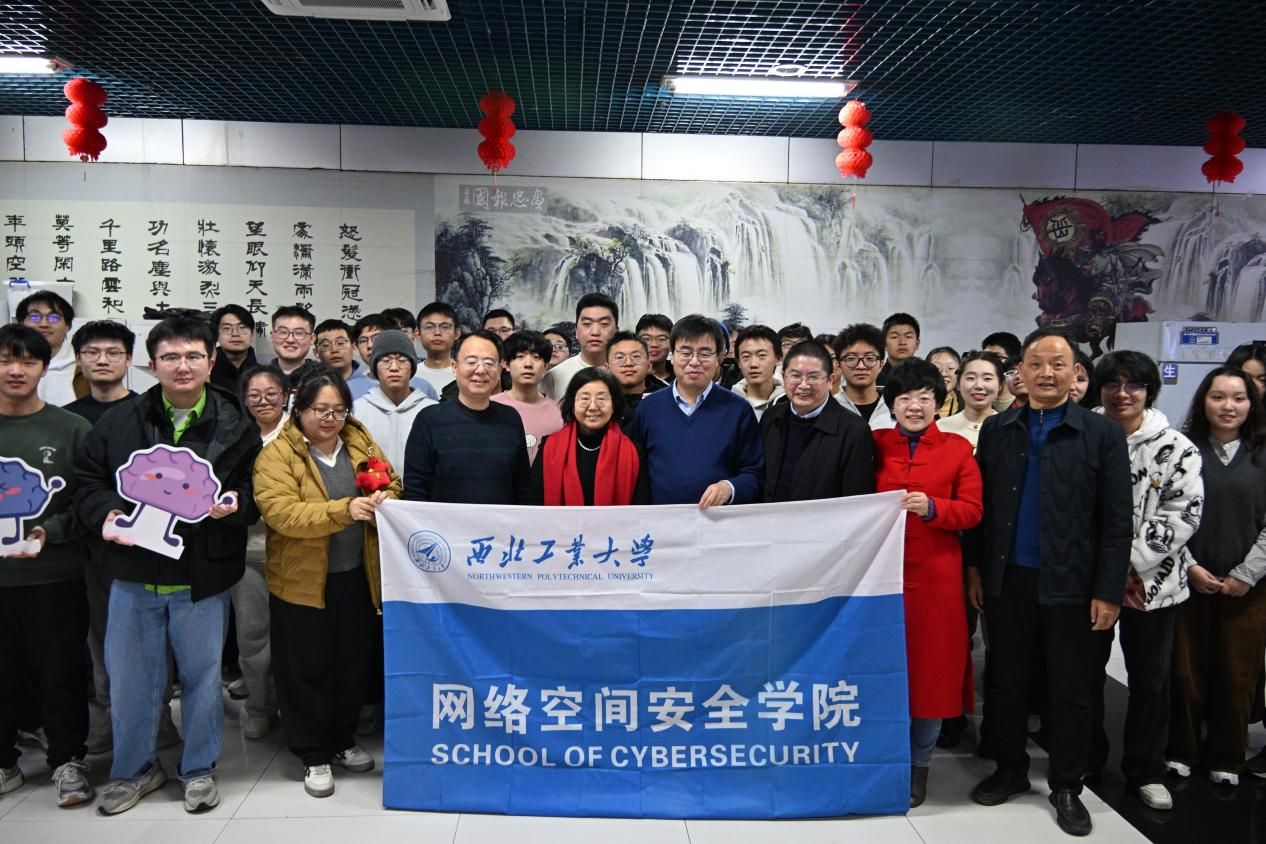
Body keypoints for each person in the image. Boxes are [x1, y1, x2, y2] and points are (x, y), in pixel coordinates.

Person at [73, 317, 260, 816]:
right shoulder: (120, 421)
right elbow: (87, 481)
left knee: (202, 678)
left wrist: (234, 505)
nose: (183, 366)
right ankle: (134, 769)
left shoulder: (236, 423)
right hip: (133, 569)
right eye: (171, 357)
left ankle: (198, 768)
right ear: (151, 364)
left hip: (202, 574)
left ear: (211, 362)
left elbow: (253, 491)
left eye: (193, 356)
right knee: (131, 681)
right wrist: (108, 515)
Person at [967, 328, 1132, 837]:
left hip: (1073, 583)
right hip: (1007, 578)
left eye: (1057, 365)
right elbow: (982, 509)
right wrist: (976, 569)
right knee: (1006, 679)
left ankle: (1066, 784)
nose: (1046, 373)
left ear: (1075, 372)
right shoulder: (998, 429)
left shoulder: (1101, 434)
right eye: (1035, 364)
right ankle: (1010, 768)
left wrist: (1107, 591)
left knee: (1071, 686)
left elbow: (1117, 521)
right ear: (1020, 372)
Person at [253, 366, 399, 798]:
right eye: (320, 410)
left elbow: (392, 482)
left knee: (351, 664)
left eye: (338, 410)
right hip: (302, 583)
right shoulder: (277, 456)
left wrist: (385, 497)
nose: (330, 419)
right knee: (306, 668)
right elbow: (282, 514)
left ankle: (342, 739)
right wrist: (343, 510)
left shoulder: (359, 441)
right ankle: (313, 752)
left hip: (357, 575)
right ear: (299, 408)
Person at [1080, 351, 1203, 809]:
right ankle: (1086, 759)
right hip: (1088, 579)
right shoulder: (1082, 435)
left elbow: (1183, 513)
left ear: (1149, 391)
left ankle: (1146, 769)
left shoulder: (1177, 447)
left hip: (1154, 582)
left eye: (1133, 385)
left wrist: (1126, 559)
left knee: (1151, 680)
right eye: (1112, 384)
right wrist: (1101, 564)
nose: (1122, 393)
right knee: (1085, 674)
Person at [873, 358, 983, 807]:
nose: (914, 406)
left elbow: (973, 511)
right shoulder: (875, 444)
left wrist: (934, 508)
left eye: (924, 397)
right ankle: (884, 759)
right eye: (904, 398)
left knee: (930, 676)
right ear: (891, 405)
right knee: (880, 671)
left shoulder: (957, 449)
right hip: (880, 578)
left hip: (937, 582)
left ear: (939, 402)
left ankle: (920, 766)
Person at [0, 324, 95, 807]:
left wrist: (48, 531)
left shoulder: (71, 428)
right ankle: (5, 763)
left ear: (45, 367)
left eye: (27, 361)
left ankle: (67, 760)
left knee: (61, 671)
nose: (15, 370)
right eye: (5, 360)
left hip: (55, 575)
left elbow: (89, 500)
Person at [1167, 367, 1266, 788]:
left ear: (1251, 404)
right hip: (1187, 581)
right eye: (1218, 397)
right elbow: (1167, 513)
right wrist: (1190, 566)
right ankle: (1180, 751)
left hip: (1249, 588)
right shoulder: (1183, 450)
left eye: (1238, 398)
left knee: (1237, 674)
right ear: (1203, 402)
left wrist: (1246, 573)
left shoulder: (1261, 452)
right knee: (1184, 671)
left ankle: (1227, 756)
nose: (1228, 406)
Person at [627, 314, 764, 507]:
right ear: (672, 356)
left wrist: (729, 488)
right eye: (685, 352)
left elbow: (755, 473)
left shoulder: (738, 410)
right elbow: (635, 472)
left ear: (718, 358)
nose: (694, 361)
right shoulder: (648, 408)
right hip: (660, 520)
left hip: (718, 520)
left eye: (705, 353)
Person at [404, 330, 531, 504]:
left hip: (500, 522)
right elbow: (415, 489)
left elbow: (522, 486)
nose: (481, 370)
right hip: (443, 522)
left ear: (499, 369)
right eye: (471, 362)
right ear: (454, 367)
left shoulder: (511, 419)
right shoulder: (429, 420)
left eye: (489, 363)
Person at [231, 366, 290, 741]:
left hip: (296, 553)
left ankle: (294, 706)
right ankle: (260, 707)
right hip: (249, 553)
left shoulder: (301, 435)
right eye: (254, 395)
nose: (263, 401)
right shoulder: (236, 437)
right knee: (253, 635)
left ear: (285, 395)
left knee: (297, 636)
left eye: (271, 393)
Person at [761, 341, 874, 502]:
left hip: (824, 518)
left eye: (813, 377)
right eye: (795, 376)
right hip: (770, 516)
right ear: (784, 377)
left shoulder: (854, 430)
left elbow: (856, 500)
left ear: (830, 380)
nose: (803, 385)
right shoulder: (771, 417)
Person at [528, 367, 649, 505]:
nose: (593, 407)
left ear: (613, 405)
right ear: (572, 405)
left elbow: (641, 509)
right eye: (584, 398)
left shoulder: (633, 451)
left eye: (601, 399)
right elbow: (534, 502)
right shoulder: (549, 446)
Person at [352, 330, 437, 473]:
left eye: (402, 360)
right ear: (375, 368)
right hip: (374, 487)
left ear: (412, 367)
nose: (394, 368)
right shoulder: (357, 410)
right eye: (385, 361)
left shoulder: (432, 410)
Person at [490, 331, 563, 463]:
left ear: (545, 366)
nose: (528, 364)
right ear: (506, 364)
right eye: (520, 356)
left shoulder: (559, 412)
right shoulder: (490, 407)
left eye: (536, 357)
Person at [542, 293, 619, 399]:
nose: (595, 332)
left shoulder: (627, 373)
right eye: (587, 324)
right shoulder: (555, 376)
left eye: (604, 324)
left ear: (616, 332)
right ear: (576, 331)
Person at [347, 314, 437, 402]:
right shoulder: (349, 389)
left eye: (376, 338)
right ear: (355, 346)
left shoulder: (423, 387)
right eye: (363, 341)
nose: (370, 345)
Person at [16, 291, 79, 406]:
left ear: (68, 326)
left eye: (54, 318)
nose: (44, 324)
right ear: (21, 324)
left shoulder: (83, 366)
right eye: (35, 317)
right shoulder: (6, 367)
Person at [66, 320, 136, 425]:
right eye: (92, 353)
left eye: (113, 353)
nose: (102, 361)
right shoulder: (67, 418)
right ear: (78, 359)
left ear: (128, 359)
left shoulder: (149, 412)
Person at [833, 323, 895, 429]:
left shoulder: (896, 406)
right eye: (851, 359)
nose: (861, 366)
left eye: (869, 358)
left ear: (881, 364)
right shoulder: (830, 407)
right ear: (838, 365)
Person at [938, 351, 1002, 451]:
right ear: (958, 384)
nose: (979, 385)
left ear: (1000, 386)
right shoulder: (941, 428)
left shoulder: (1010, 429)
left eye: (987, 378)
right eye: (971, 378)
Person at [730, 325, 783, 420]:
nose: (753, 364)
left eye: (761, 355)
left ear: (778, 358)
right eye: (746, 356)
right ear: (739, 362)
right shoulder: (728, 403)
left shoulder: (790, 404)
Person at [604, 331, 653, 428]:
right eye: (619, 358)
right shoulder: (599, 402)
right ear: (607, 368)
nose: (628, 363)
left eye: (636, 356)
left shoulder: (666, 400)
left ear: (649, 365)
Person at [414, 301, 461, 396]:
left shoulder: (465, 374)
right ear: (418, 334)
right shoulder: (411, 375)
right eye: (429, 327)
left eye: (445, 327)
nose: (437, 332)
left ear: (457, 333)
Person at [209, 305, 258, 393]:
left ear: (252, 334)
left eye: (242, 328)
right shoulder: (206, 374)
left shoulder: (264, 375)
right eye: (227, 328)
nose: (235, 334)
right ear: (216, 335)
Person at [269, 306, 316, 380]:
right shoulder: (257, 378)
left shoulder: (325, 379)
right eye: (283, 332)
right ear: (272, 336)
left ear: (312, 339)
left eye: (299, 333)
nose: (290, 340)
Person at [877, 312, 921, 386]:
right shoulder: (874, 379)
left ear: (917, 344)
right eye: (894, 337)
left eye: (908, 336)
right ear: (884, 344)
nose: (902, 342)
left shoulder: (929, 377)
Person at [983, 332, 1023, 411]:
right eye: (985, 357)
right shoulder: (977, 397)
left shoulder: (1025, 399)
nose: (990, 362)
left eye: (998, 357)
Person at [314, 319, 360, 383]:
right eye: (326, 345)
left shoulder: (371, 385)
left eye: (340, 343)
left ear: (354, 347)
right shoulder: (307, 386)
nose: (334, 350)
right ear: (316, 352)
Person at [636, 314, 673, 390]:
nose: (654, 344)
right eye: (646, 339)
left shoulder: (681, 376)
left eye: (662, 339)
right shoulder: (627, 376)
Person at [927, 346, 963, 418]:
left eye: (950, 368)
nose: (943, 374)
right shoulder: (916, 405)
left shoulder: (968, 406)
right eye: (937, 368)